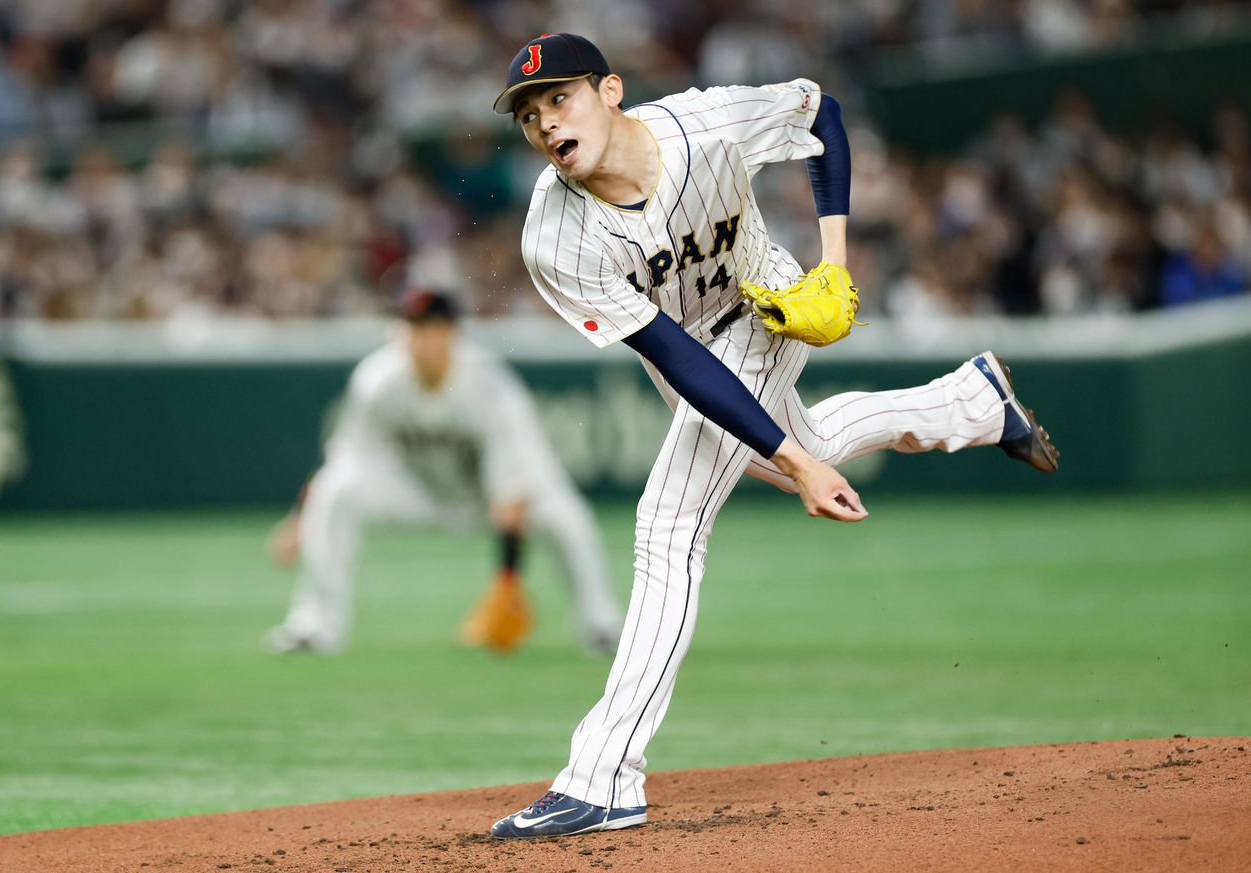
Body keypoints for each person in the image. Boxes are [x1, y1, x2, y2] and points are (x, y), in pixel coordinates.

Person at [486, 33, 1059, 838]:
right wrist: (794, 460)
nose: (546, 122)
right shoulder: (554, 234)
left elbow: (820, 110)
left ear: (611, 91)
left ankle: (605, 774)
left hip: (767, 305)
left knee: (669, 521)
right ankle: (973, 401)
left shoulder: (705, 125)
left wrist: (835, 261)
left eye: (561, 98)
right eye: (529, 114)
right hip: (691, 345)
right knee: (808, 441)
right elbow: (676, 357)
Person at [263, 287, 624, 656]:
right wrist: (300, 518)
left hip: (489, 498)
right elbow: (347, 457)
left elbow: (513, 494)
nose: (418, 338)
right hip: (423, 494)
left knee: (565, 515)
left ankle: (600, 624)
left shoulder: (488, 384)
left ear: (452, 333)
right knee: (338, 488)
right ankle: (315, 626)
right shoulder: (378, 380)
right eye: (411, 327)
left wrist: (507, 579)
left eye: (430, 328)